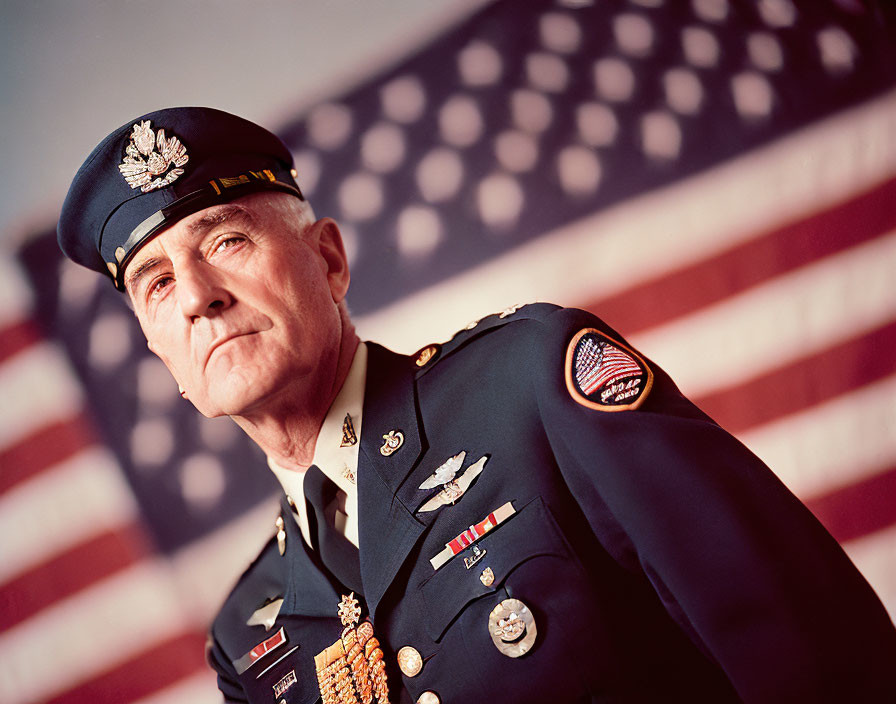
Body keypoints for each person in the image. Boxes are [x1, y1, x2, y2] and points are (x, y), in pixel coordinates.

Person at [58, 107, 896, 704]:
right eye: (157, 284)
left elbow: (817, 654)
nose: (199, 296)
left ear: (330, 260)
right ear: (160, 352)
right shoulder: (249, 636)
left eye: (227, 241)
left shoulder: (529, 388)